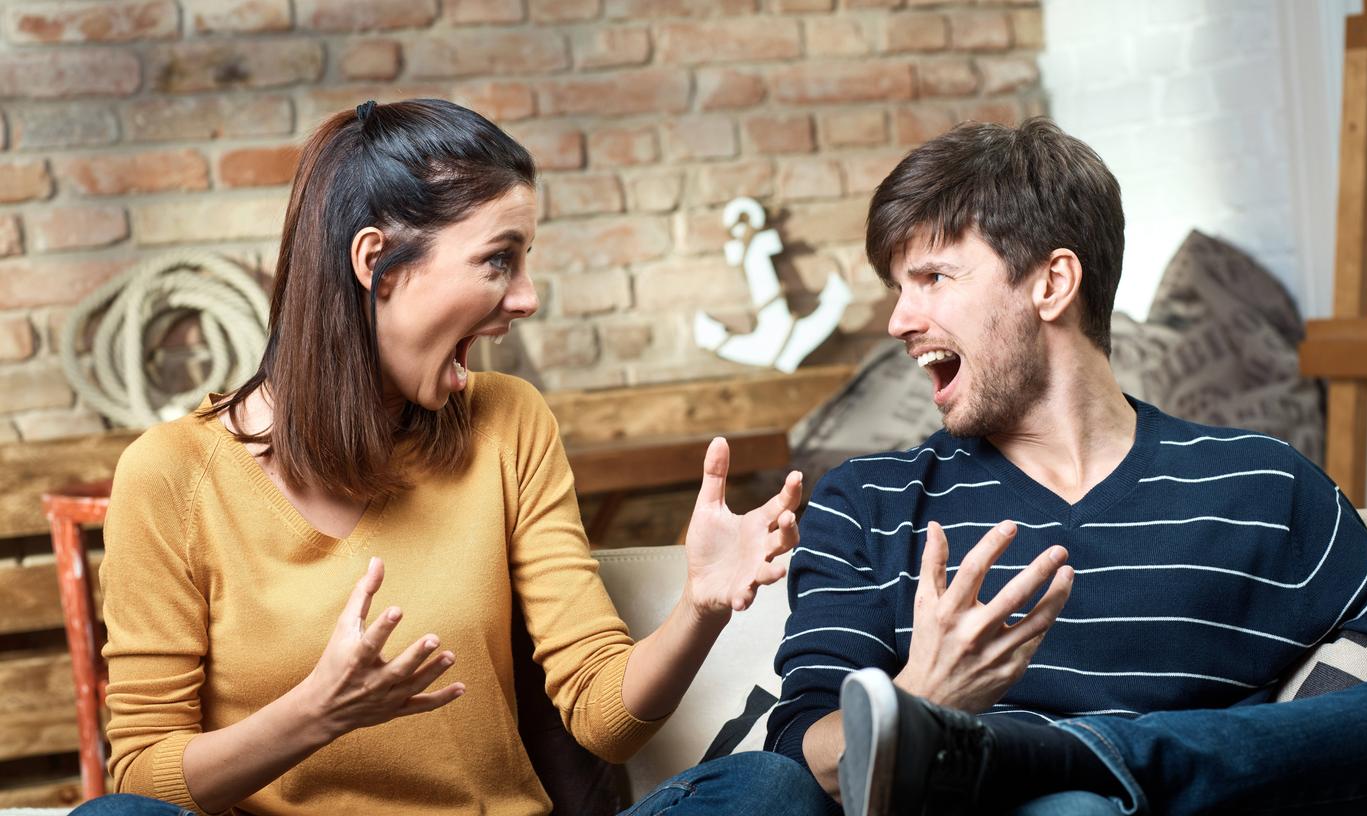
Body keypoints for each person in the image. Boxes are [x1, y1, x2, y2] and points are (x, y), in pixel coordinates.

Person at [75, 99, 827, 816]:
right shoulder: (171, 473)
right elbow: (144, 775)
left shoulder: (508, 422)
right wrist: (313, 714)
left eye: (525, 260)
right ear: (379, 264)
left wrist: (700, 608)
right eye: (499, 260)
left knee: (769, 788)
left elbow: (604, 718)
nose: (526, 297)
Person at [766, 118, 1367, 815]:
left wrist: (1270, 743)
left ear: (1053, 283)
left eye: (934, 278)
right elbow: (795, 753)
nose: (899, 321)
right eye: (898, 288)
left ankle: (1097, 758)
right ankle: (1084, 770)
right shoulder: (871, 502)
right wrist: (924, 698)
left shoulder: (1261, 485)